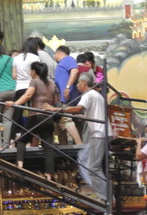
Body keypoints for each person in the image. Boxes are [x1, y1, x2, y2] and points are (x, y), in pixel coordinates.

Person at [46, 73, 109, 201]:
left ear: (84, 83)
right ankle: (104, 194)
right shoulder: (96, 95)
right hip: (101, 133)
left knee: (93, 168)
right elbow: (92, 113)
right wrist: (82, 117)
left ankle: (106, 197)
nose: (77, 86)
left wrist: (55, 109)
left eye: (79, 83)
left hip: (99, 134)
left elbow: (77, 109)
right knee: (84, 157)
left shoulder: (88, 94)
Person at [5, 62, 57, 180]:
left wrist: (15, 104)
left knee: (22, 140)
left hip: (36, 116)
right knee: (48, 146)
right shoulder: (52, 84)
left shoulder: (34, 81)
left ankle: (20, 165)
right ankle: (49, 174)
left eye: (31, 70)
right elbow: (54, 101)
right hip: (48, 118)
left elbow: (28, 95)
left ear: (34, 71)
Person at [52, 46, 82, 145]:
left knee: (66, 121)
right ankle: (65, 148)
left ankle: (79, 144)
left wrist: (68, 87)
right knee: (62, 124)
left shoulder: (68, 59)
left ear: (58, 52)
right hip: (62, 99)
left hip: (68, 99)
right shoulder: (61, 64)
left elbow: (75, 71)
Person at [12, 39, 40, 134]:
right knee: (33, 113)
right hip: (32, 88)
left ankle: (12, 139)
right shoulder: (35, 57)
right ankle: (31, 137)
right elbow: (37, 74)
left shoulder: (16, 58)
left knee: (17, 115)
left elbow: (14, 76)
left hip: (19, 88)